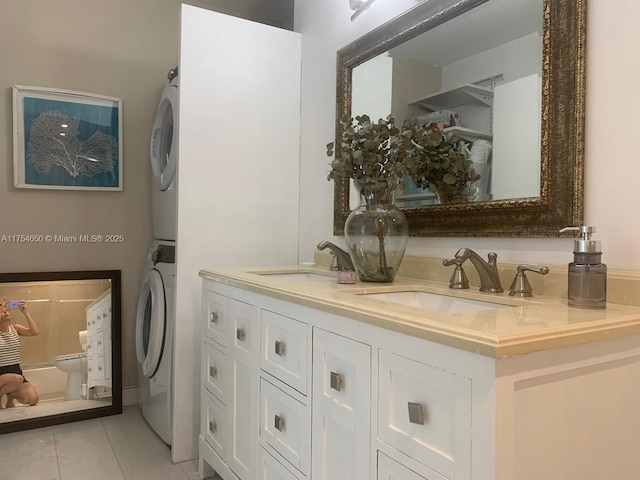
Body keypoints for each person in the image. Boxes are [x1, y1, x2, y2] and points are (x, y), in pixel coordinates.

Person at [0, 299, 39, 408]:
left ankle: (10, 394)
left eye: (6, 310)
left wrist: (25, 312)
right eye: (1, 311)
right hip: (1, 375)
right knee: (17, 379)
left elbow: (34, 332)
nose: (5, 312)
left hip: (16, 374)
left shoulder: (15, 329)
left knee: (33, 399)